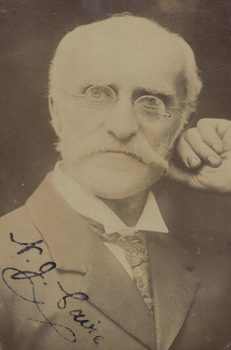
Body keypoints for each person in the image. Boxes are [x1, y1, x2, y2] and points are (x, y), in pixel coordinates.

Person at [0, 14, 231, 350]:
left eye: (151, 101)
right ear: (56, 110)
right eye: (97, 93)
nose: (122, 126)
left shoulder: (218, 258)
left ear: (182, 122)